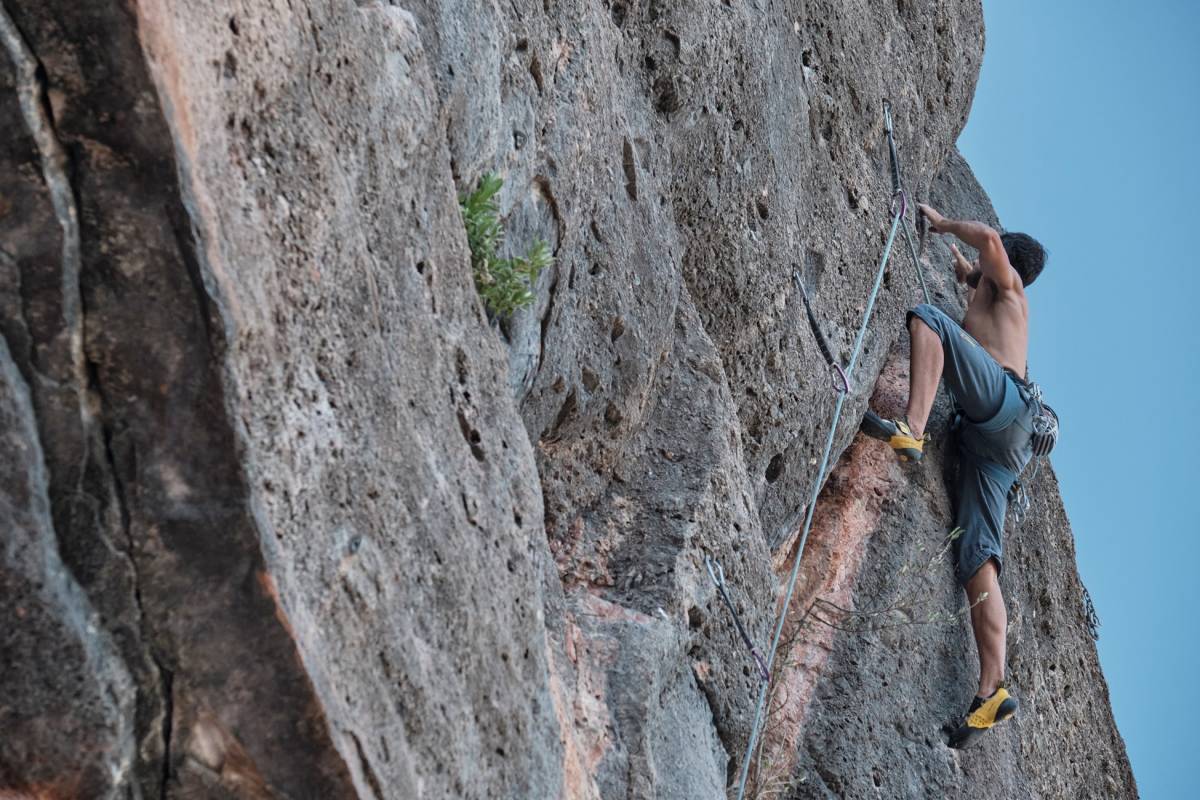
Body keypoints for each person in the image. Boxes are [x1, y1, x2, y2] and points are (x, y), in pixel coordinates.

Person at [860, 202, 1047, 749]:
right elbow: (980, 275)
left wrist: (943, 224)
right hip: (1000, 446)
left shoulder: (1008, 284)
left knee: (927, 317)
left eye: (988, 264)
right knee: (978, 558)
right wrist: (967, 274)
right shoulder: (996, 295)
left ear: (1005, 261)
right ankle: (992, 688)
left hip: (1002, 405)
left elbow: (987, 237)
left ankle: (912, 428)